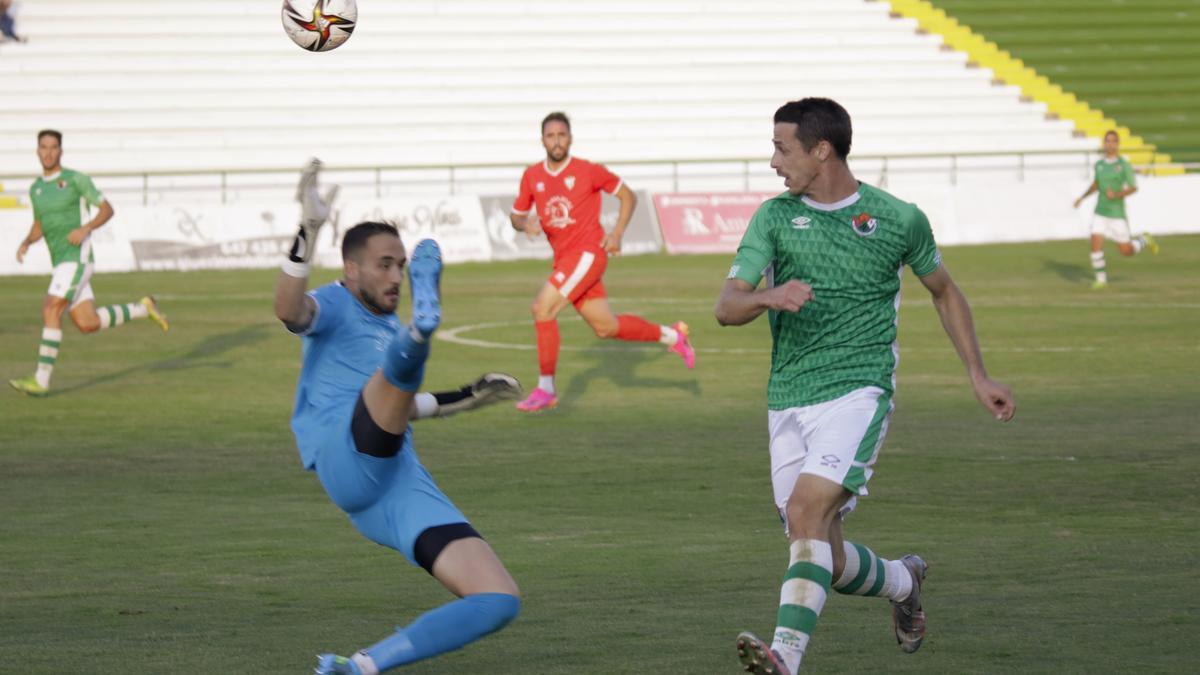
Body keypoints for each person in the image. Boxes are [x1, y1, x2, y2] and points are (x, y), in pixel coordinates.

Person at [714, 98, 1016, 675]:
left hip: (859, 392)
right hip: (788, 398)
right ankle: (905, 580)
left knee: (806, 511)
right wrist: (768, 296)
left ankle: (786, 658)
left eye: (782, 148)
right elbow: (727, 306)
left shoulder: (898, 219)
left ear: (820, 150)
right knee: (817, 549)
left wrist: (978, 375)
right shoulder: (774, 218)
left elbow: (945, 291)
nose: (773, 161)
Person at [274, 161, 522, 675]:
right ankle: (422, 332)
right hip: (346, 452)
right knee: (389, 376)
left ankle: (360, 666)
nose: (394, 275)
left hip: (394, 480)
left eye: (402, 266)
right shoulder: (338, 304)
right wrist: (309, 227)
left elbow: (399, 407)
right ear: (352, 270)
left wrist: (469, 396)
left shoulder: (382, 330)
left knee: (497, 597)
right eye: (384, 265)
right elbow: (288, 310)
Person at [508, 111, 696, 412]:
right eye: (551, 135)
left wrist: (617, 233)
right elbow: (516, 215)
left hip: (587, 255)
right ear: (542, 140)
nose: (556, 141)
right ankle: (674, 336)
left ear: (570, 138)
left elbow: (628, 196)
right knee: (606, 327)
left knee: (542, 308)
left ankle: (546, 388)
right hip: (566, 262)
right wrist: (523, 224)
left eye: (562, 135)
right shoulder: (532, 176)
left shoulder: (588, 170)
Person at [9, 129, 167, 397]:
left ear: (61, 150)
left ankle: (41, 380)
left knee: (51, 308)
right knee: (87, 322)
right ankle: (142, 308)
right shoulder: (36, 189)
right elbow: (40, 224)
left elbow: (107, 209)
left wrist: (86, 228)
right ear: (37, 151)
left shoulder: (75, 180)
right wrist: (27, 241)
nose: (48, 152)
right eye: (43, 147)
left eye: (53, 147)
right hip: (61, 262)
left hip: (76, 258)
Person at [1073, 130, 1158, 290]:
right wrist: (1082, 198)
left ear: (1117, 144)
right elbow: (1096, 184)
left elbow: (1134, 187)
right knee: (1095, 244)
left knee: (1126, 251)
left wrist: (1117, 194)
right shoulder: (1099, 165)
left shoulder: (1123, 165)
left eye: (1113, 141)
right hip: (1100, 211)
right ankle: (1101, 280)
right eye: (1107, 141)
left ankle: (1144, 240)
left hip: (1117, 213)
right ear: (1104, 144)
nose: (1109, 144)